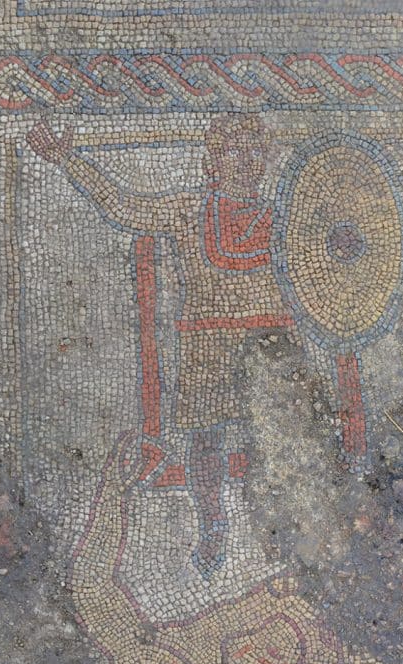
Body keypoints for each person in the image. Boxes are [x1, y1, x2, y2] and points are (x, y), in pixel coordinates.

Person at [29, 114, 291, 576]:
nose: (245, 162)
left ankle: (277, 525)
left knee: (272, 437)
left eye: (254, 151)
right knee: (205, 441)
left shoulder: (286, 219)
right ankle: (213, 526)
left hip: (271, 343)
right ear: (213, 162)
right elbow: (123, 207)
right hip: (206, 344)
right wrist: (68, 159)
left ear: (266, 160)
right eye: (234, 151)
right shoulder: (190, 210)